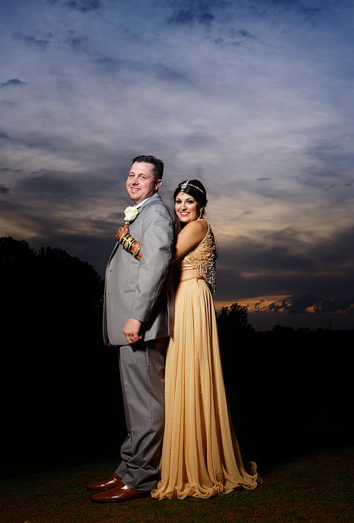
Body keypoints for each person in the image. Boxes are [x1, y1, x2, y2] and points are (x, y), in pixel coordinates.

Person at [117, 179, 260, 499]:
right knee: (177, 377)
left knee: (193, 374)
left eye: (189, 202)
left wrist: (128, 241)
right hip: (178, 300)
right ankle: (177, 461)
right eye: (179, 201)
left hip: (192, 302)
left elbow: (163, 259)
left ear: (201, 206)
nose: (183, 207)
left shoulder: (199, 226)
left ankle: (201, 464)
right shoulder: (181, 229)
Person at [88, 155, 175, 503]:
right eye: (131, 174)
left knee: (147, 403)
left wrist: (137, 315)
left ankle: (142, 476)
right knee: (134, 401)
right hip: (130, 324)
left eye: (143, 177)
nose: (134, 181)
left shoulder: (155, 214)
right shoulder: (140, 211)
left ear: (157, 185)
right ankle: (128, 468)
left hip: (141, 324)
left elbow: (155, 265)